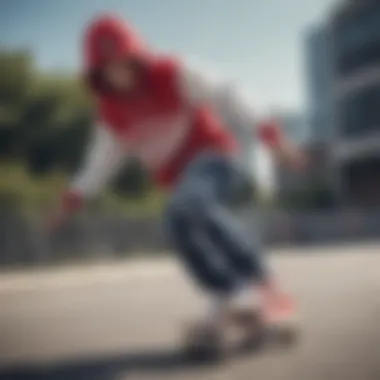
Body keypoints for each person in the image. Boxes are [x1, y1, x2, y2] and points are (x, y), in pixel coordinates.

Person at [48, 14, 305, 330]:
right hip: (180, 181)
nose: (123, 76)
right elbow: (100, 162)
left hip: (215, 160)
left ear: (139, 57)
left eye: (127, 64)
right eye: (111, 70)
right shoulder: (111, 115)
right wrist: (73, 197)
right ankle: (259, 286)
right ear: (97, 74)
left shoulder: (172, 72)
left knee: (185, 209)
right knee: (187, 223)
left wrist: (269, 135)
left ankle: (235, 291)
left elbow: (228, 91)